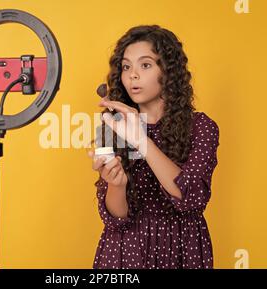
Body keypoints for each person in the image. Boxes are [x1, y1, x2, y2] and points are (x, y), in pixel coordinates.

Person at [87, 25, 220, 269]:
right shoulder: (113, 125)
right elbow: (116, 219)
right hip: (126, 250)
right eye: (126, 66)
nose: (132, 75)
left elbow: (190, 197)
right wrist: (117, 185)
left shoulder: (201, 127)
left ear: (168, 72)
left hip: (182, 247)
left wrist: (141, 140)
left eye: (145, 65)